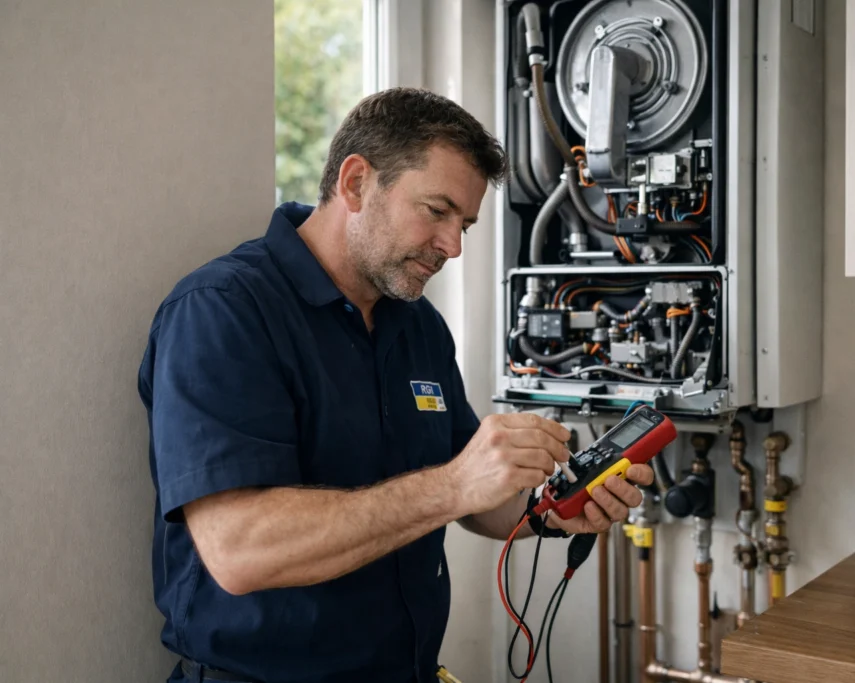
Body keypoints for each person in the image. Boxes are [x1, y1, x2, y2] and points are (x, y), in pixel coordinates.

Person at [138, 87, 654, 683]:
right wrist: (455, 485)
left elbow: (474, 490)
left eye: (465, 223)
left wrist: (553, 511)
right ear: (356, 184)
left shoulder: (418, 325)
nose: (453, 247)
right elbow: (239, 549)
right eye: (437, 211)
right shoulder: (223, 312)